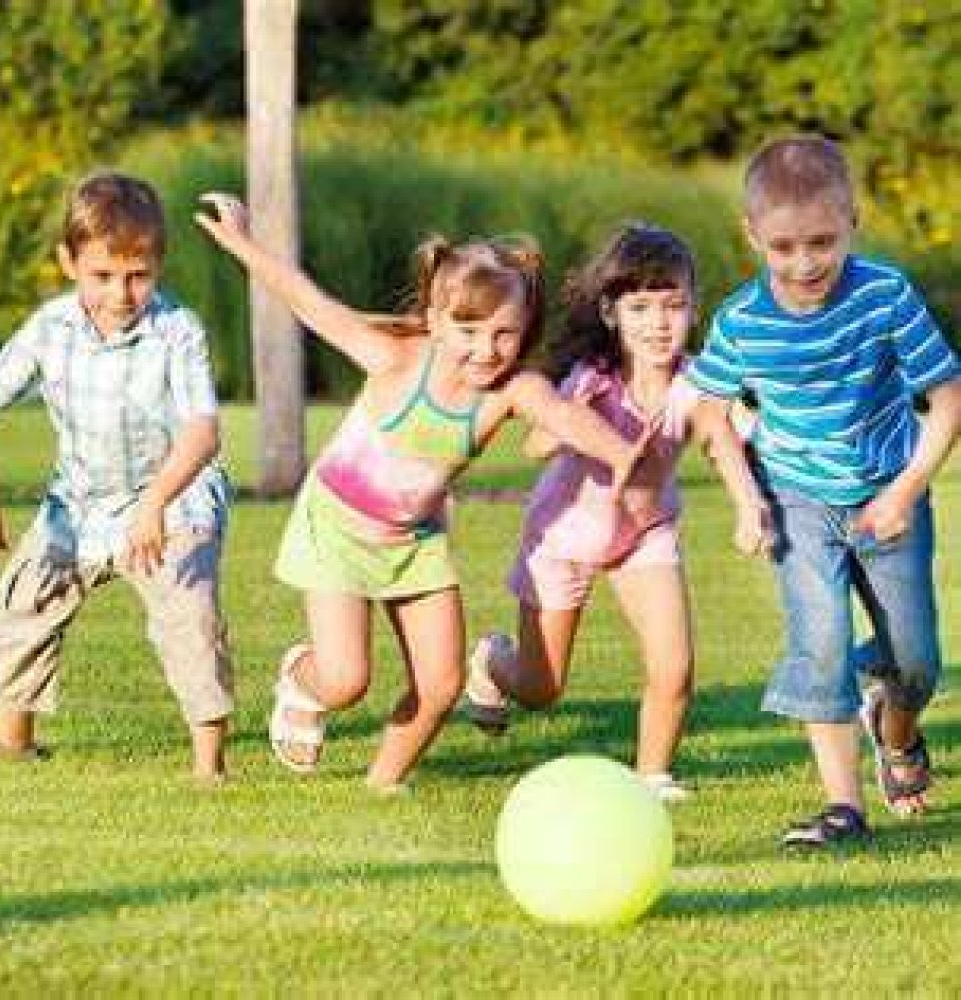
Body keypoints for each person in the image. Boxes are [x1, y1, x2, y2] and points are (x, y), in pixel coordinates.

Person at [196, 194, 662, 792]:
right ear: (437, 321)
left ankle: (382, 784)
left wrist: (620, 452)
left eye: (504, 334)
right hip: (336, 529)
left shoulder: (510, 389)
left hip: (414, 542)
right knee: (346, 680)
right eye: (468, 330)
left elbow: (564, 416)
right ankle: (302, 682)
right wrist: (241, 240)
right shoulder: (394, 358)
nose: (485, 349)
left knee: (441, 685)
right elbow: (309, 304)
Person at [687, 135, 961, 847]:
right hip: (796, 501)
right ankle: (845, 808)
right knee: (823, 642)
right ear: (753, 235)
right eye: (782, 247)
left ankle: (893, 731)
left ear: (853, 223)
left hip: (885, 495)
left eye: (821, 242)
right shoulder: (742, 321)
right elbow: (710, 412)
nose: (804, 263)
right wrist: (747, 500)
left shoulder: (884, 295)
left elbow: (948, 398)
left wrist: (904, 492)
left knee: (917, 663)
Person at [463, 222, 773, 801]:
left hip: (644, 537)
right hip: (562, 539)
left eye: (673, 306)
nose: (658, 323)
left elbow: (722, 438)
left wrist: (748, 506)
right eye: (640, 307)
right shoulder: (592, 379)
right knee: (542, 687)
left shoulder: (697, 383)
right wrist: (569, 423)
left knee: (674, 667)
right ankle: (492, 661)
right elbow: (533, 446)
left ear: (692, 308)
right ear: (611, 312)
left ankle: (652, 776)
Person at [0, 172, 233, 783]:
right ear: (69, 262)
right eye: (102, 276)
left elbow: (201, 432)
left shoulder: (177, 331)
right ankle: (13, 745)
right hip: (78, 504)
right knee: (17, 611)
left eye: (138, 275)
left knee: (188, 618)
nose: (120, 294)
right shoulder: (49, 328)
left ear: (157, 265)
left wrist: (157, 501)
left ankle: (209, 767)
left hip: (174, 497)